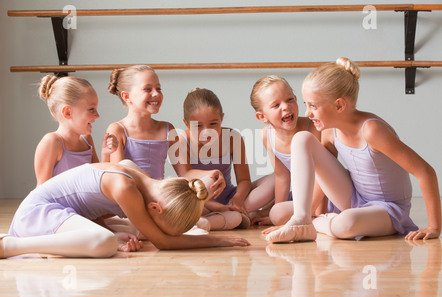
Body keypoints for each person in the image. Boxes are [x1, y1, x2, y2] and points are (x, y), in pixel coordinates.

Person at [264, 57, 441, 243]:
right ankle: (303, 221)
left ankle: (320, 224)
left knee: (345, 225)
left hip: (388, 209)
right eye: (306, 104)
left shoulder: (372, 131)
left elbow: (425, 172)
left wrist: (434, 226)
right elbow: (322, 177)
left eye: (313, 106)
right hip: (354, 198)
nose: (307, 113)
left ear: (339, 105)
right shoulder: (330, 131)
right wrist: (309, 213)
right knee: (278, 211)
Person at [0, 161, 249, 259]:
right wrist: (219, 240)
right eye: (161, 223)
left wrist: (109, 227)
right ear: (155, 208)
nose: (157, 230)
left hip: (61, 214)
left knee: (126, 232)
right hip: (37, 214)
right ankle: (10, 246)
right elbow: (163, 242)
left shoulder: (140, 179)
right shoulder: (125, 186)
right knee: (105, 243)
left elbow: (90, 204)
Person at [105, 65, 225, 200]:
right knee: (126, 169)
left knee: (208, 184)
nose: (156, 94)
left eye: (158, 88)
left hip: (160, 198)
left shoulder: (167, 129)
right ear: (127, 96)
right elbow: (119, 178)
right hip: (131, 198)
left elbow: (185, 173)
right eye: (147, 89)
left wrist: (213, 173)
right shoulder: (117, 130)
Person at [178, 88, 274, 230]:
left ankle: (234, 212)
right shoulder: (180, 141)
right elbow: (185, 176)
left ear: (221, 118)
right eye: (198, 126)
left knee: (277, 178)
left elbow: (244, 180)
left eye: (213, 124)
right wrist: (215, 205)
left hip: (230, 196)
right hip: (200, 201)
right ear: (186, 123)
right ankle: (237, 215)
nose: (207, 132)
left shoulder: (232, 137)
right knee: (185, 203)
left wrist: (238, 198)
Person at [250, 75, 321, 225]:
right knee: (274, 213)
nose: (286, 107)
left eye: (290, 99)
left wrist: (318, 212)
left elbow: (322, 178)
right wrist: (276, 213)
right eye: (276, 105)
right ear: (262, 116)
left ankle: (315, 215)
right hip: (301, 196)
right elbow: (282, 176)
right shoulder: (266, 135)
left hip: (322, 195)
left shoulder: (314, 128)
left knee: (279, 213)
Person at [34, 75, 118, 186]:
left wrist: (105, 154)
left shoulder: (86, 140)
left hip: (84, 201)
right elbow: (41, 191)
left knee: (127, 165)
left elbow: (97, 180)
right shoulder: (52, 142)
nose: (97, 115)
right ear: (68, 112)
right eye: (91, 109)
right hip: (61, 203)